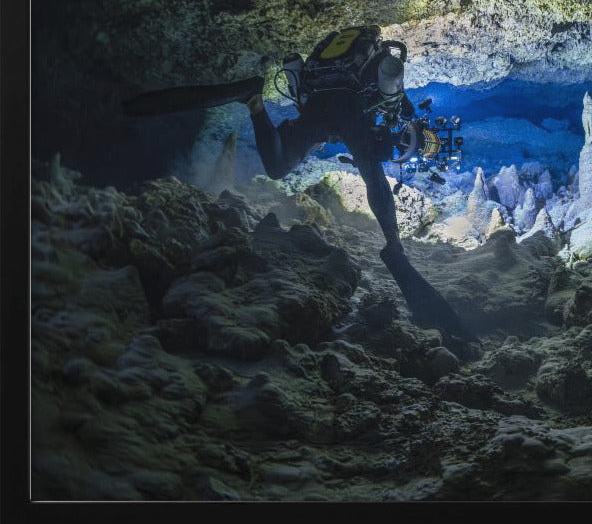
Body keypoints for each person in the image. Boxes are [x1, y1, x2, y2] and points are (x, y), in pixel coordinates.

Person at [124, 25, 477, 359]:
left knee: (277, 166)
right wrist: (392, 237)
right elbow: (375, 173)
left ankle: (253, 100)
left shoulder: (382, 109)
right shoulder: (390, 115)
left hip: (320, 105)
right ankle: (393, 245)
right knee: (369, 168)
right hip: (342, 108)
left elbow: (383, 137)